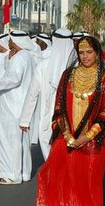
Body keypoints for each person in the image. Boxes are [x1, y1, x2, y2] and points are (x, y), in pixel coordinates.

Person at [36, 36, 105, 205]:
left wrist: (85, 137)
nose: (85, 56)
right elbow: (59, 108)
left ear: (97, 53)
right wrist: (67, 135)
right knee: (61, 182)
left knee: (87, 184)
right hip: (65, 140)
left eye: (89, 52)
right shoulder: (68, 75)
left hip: (92, 141)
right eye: (81, 52)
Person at [0, 30, 36, 185]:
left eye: (11, 40)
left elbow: (13, 79)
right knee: (20, 141)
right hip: (20, 104)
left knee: (8, 140)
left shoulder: (20, 57)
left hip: (13, 105)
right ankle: (23, 172)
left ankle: (12, 175)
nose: (9, 43)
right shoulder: (26, 56)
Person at [19, 29, 75, 159]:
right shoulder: (78, 66)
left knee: (52, 157)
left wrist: (25, 120)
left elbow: (32, 94)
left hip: (49, 120)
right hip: (71, 119)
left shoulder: (44, 65)